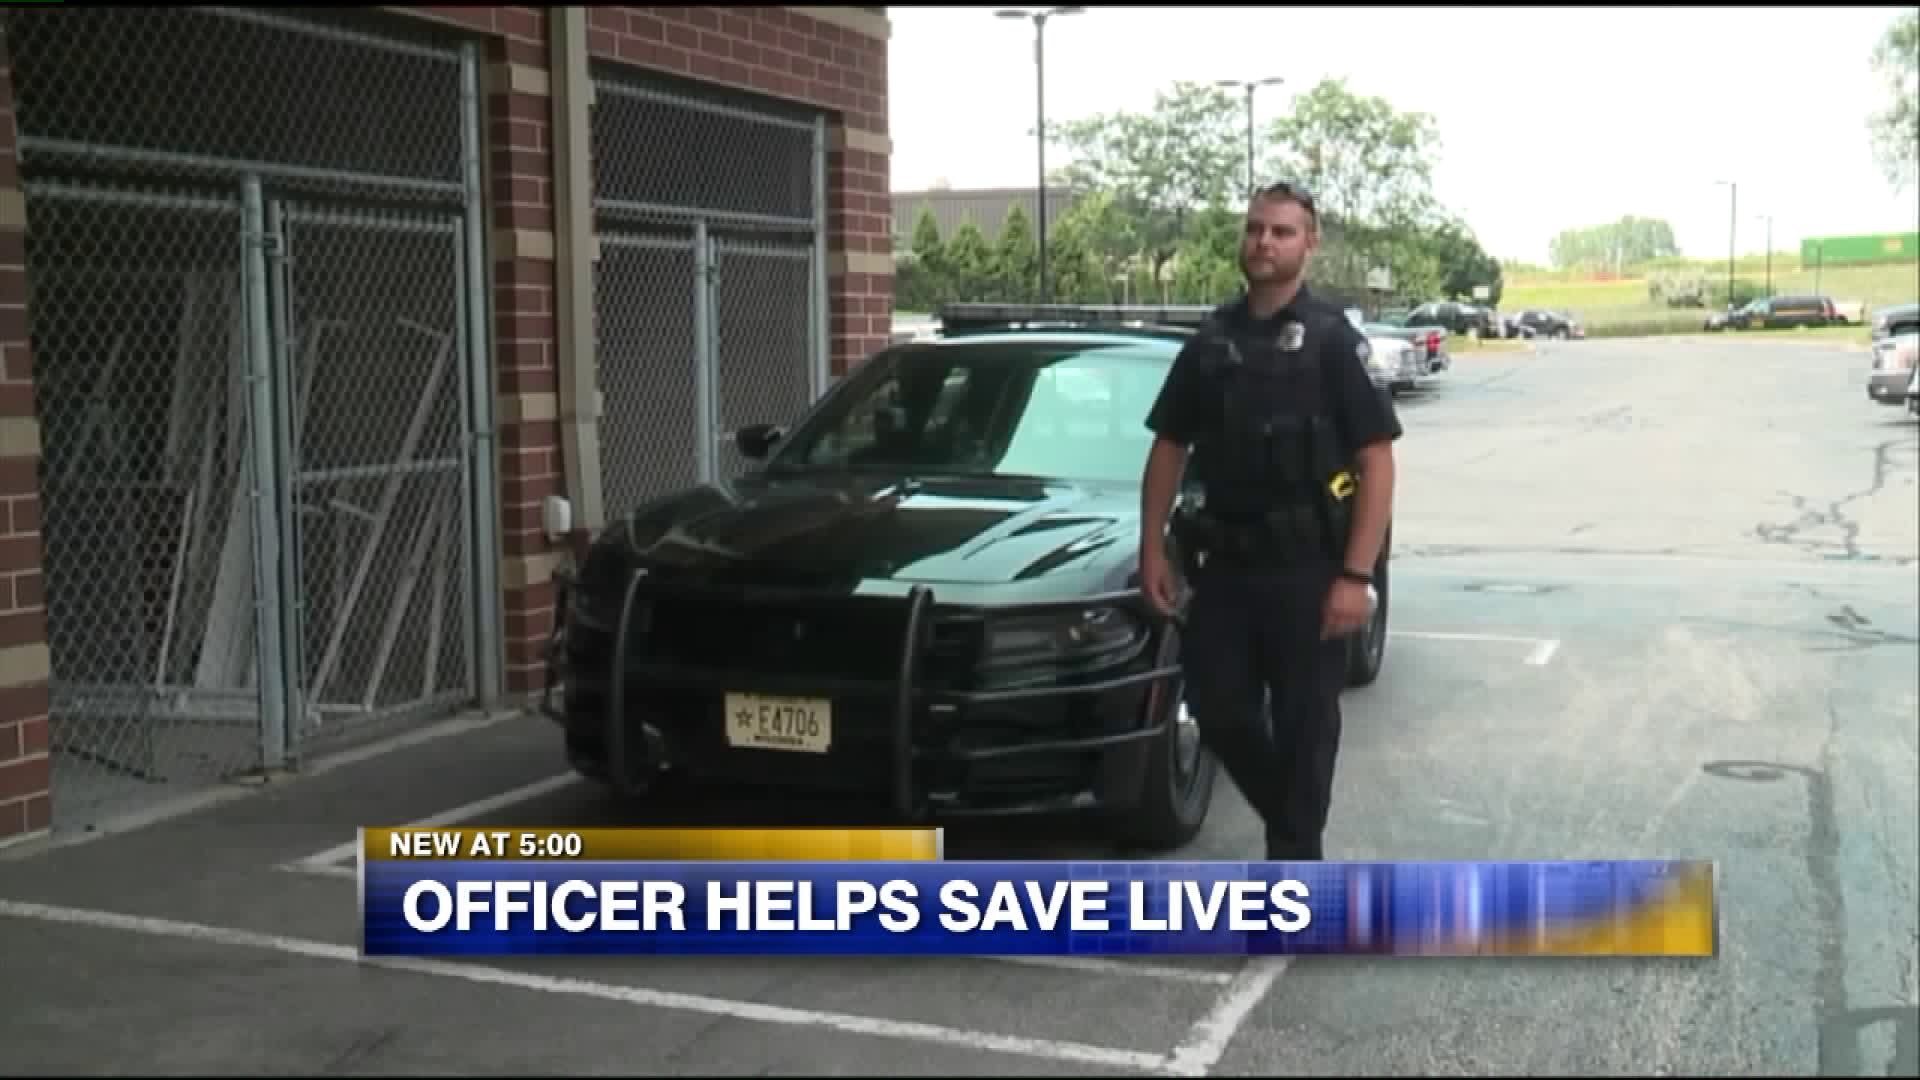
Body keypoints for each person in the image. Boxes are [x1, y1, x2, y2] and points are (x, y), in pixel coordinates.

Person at [1137, 181, 1402, 861]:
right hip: (1226, 567)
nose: (1264, 242)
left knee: (1305, 725)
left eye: (1282, 231)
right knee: (1216, 707)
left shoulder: (1333, 341)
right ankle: (1294, 823)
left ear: (1309, 243)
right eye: (1256, 228)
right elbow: (1169, 446)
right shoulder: (1211, 341)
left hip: (1310, 570)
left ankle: (1294, 861)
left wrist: (1357, 576)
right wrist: (1151, 548)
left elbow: (1376, 460)